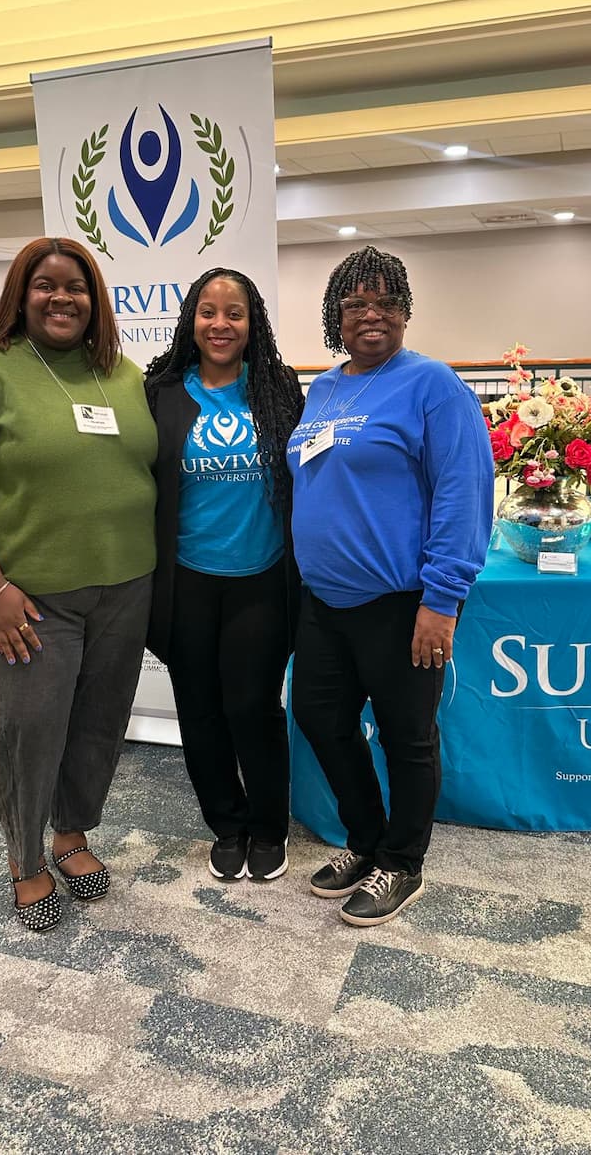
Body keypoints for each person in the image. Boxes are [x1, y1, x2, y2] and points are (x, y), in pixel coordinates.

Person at [0, 237, 156, 932]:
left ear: (95, 299)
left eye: (75, 286)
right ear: (19, 293)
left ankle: (71, 834)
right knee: (27, 730)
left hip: (125, 587)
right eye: (44, 284)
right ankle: (26, 861)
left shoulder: (119, 373)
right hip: (27, 596)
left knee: (98, 724)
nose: (61, 297)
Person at [287, 245, 493, 927]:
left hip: (402, 601)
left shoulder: (433, 385)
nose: (372, 314)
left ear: (406, 311)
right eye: (356, 304)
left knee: (406, 734)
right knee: (319, 716)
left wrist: (442, 598)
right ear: (335, 316)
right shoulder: (325, 387)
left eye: (387, 303)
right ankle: (367, 839)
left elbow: (463, 493)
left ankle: (402, 862)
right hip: (324, 600)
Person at [145, 268, 304, 883]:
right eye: (208, 312)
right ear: (192, 319)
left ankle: (269, 826)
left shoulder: (279, 389)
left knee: (253, 706)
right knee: (200, 709)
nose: (220, 324)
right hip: (186, 579)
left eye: (233, 313)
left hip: (261, 577)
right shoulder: (162, 391)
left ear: (252, 323)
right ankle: (227, 824)